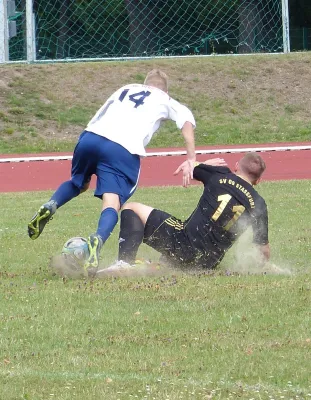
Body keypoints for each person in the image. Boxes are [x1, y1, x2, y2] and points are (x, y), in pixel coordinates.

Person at [27, 69, 196, 271]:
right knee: (112, 201)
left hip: (90, 136)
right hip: (121, 148)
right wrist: (191, 159)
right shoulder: (166, 100)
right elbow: (186, 123)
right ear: (165, 90)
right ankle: (97, 240)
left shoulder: (126, 88)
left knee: (78, 183)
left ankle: (51, 204)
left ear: (145, 83)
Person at [111, 153, 270, 271]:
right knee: (174, 256)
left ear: (236, 166)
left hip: (183, 244)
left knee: (131, 208)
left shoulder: (220, 174)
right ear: (258, 181)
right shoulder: (259, 204)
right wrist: (265, 265)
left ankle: (124, 265)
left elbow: (189, 167)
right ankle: (163, 266)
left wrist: (204, 163)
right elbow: (263, 250)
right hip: (206, 263)